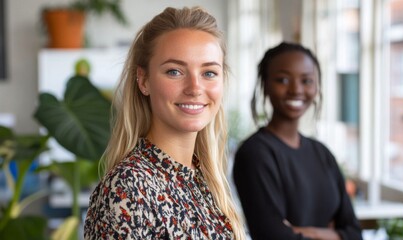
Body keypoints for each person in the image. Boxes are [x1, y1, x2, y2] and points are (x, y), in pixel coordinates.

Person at [84, 6, 245, 239]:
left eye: (209, 73)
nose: (195, 88)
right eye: (175, 71)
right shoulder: (129, 186)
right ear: (144, 80)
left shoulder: (205, 178)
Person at [232, 42, 362, 240]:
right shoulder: (254, 153)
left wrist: (305, 232)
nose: (296, 89)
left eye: (306, 81)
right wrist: (333, 234)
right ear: (265, 85)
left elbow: (354, 233)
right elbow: (273, 236)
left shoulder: (322, 154)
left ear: (316, 87)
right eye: (283, 80)